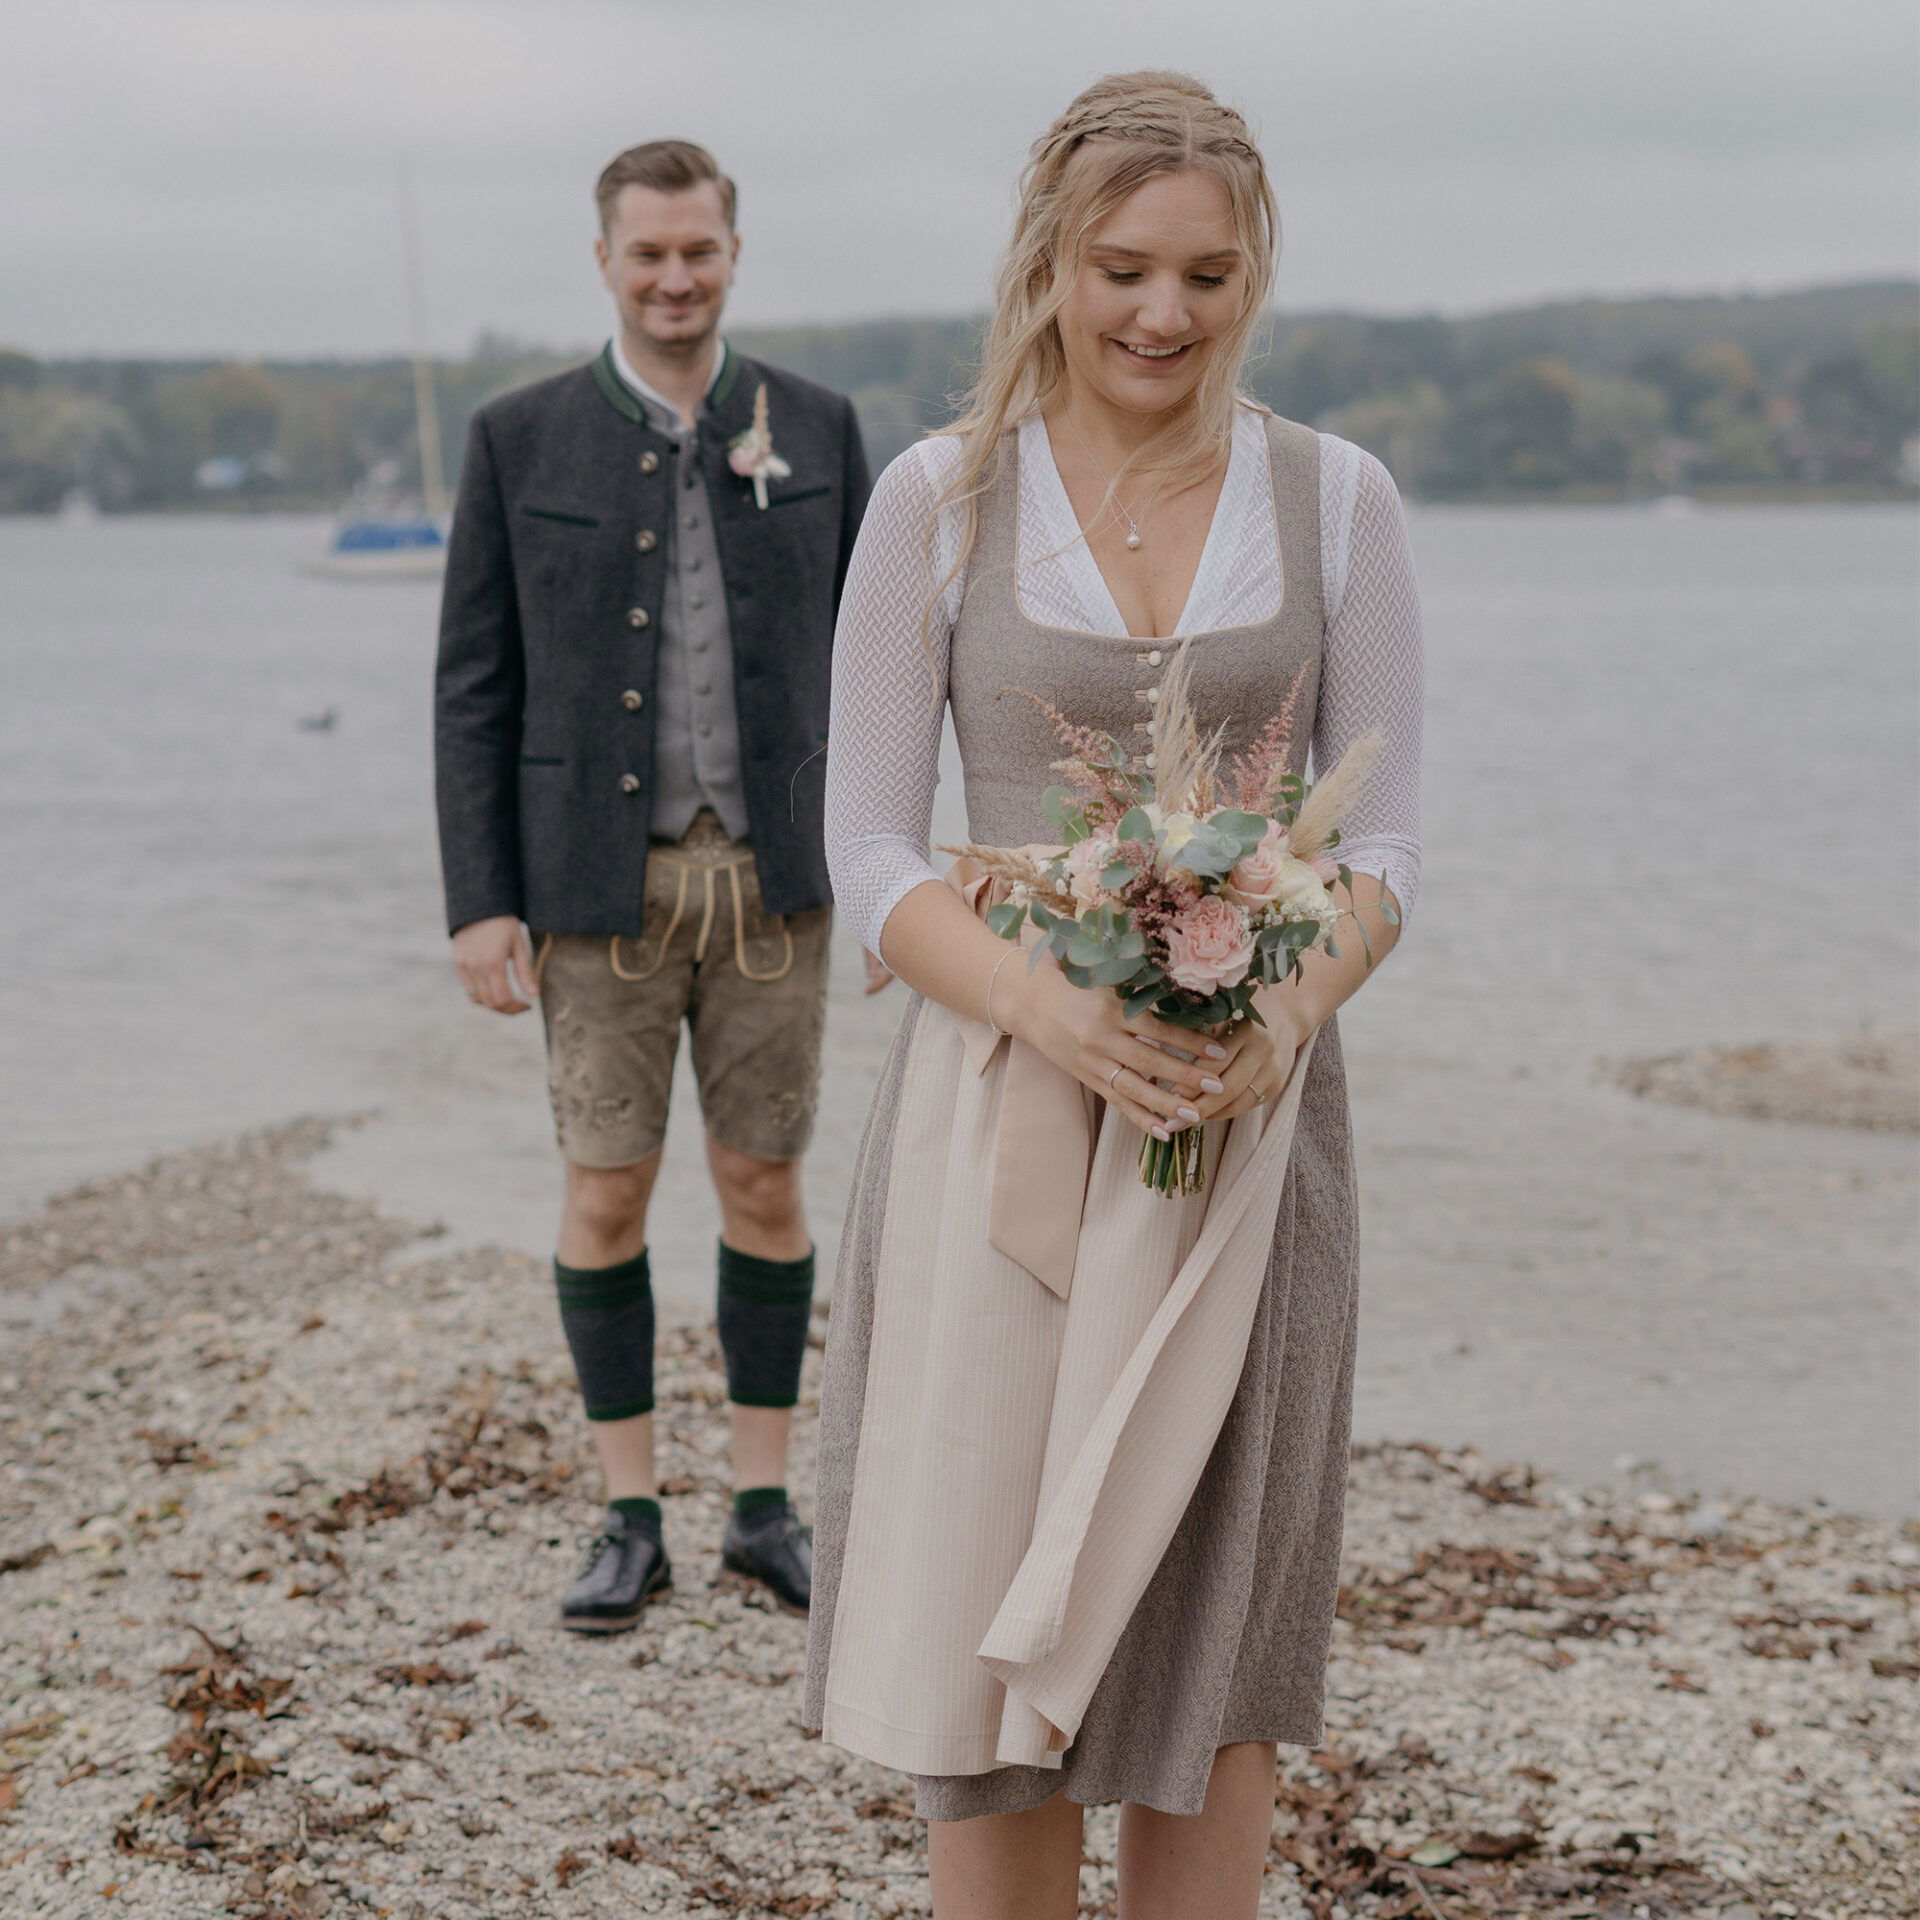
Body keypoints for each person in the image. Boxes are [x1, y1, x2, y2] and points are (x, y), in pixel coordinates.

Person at [804, 72, 1424, 1918]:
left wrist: (1283, 1020)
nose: (1165, 314)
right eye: (1124, 269)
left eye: (1210, 276)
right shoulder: (938, 497)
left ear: (1254, 278)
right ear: (1051, 264)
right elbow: (867, 842)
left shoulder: (1338, 503)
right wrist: (1057, 1015)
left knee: (1210, 1612)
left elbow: (1391, 843)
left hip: (1243, 1128)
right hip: (1000, 1109)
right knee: (982, 1616)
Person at [434, 138, 874, 1633]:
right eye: (647, 255)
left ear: (733, 253)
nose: (674, 277)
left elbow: (886, 675)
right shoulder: (518, 437)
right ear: (607, 261)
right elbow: (473, 685)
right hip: (585, 892)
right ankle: (629, 1514)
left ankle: (762, 1504)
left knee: (765, 1180)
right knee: (605, 1191)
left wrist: (896, 877)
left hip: (780, 884)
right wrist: (478, 898)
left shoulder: (815, 425)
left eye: (699, 251)